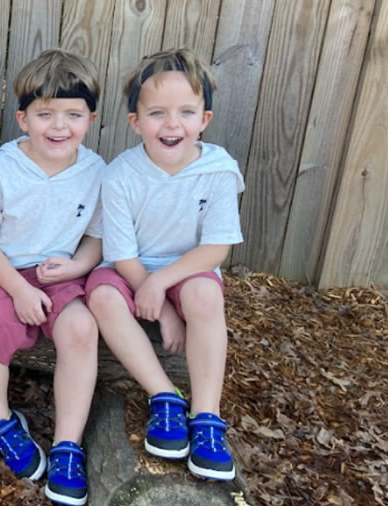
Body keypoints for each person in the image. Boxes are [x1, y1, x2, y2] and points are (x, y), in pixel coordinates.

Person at [86, 48, 243, 482]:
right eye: (157, 113)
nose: (172, 124)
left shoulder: (218, 171)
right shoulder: (120, 176)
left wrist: (166, 290)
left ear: (204, 120)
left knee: (206, 294)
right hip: (130, 268)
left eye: (186, 112)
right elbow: (122, 256)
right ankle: (165, 397)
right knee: (100, 296)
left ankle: (207, 417)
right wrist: (162, 308)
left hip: (187, 267)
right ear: (136, 122)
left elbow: (215, 249)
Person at [0, 49, 106, 506]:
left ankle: (66, 445)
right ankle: (2, 421)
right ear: (23, 119)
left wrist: (78, 268)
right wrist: (19, 289)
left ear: (91, 118)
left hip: (63, 271)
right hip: (3, 272)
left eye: (73, 115)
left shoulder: (97, 172)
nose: (59, 126)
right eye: (46, 114)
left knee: (82, 328)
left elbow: (98, 239)